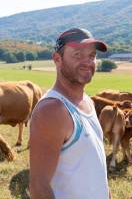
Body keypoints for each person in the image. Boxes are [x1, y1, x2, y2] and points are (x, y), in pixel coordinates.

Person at [29, 28, 110, 199]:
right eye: (78, 55)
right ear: (57, 59)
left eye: (92, 56)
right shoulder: (52, 110)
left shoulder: (87, 102)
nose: (87, 62)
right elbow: (39, 186)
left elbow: (96, 170)